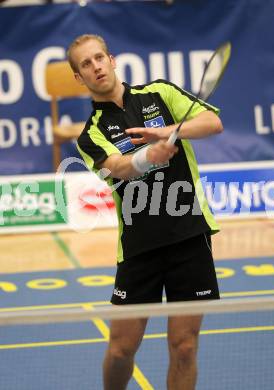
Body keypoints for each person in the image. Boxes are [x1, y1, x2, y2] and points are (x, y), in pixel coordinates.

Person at [67, 34, 223, 390]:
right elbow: (119, 167)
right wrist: (147, 156)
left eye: (99, 58)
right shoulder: (90, 135)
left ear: (112, 59)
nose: (96, 67)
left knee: (184, 346)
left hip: (189, 235)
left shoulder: (159, 93)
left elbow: (212, 123)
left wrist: (168, 132)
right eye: (86, 64)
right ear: (79, 77)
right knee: (122, 348)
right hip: (140, 246)